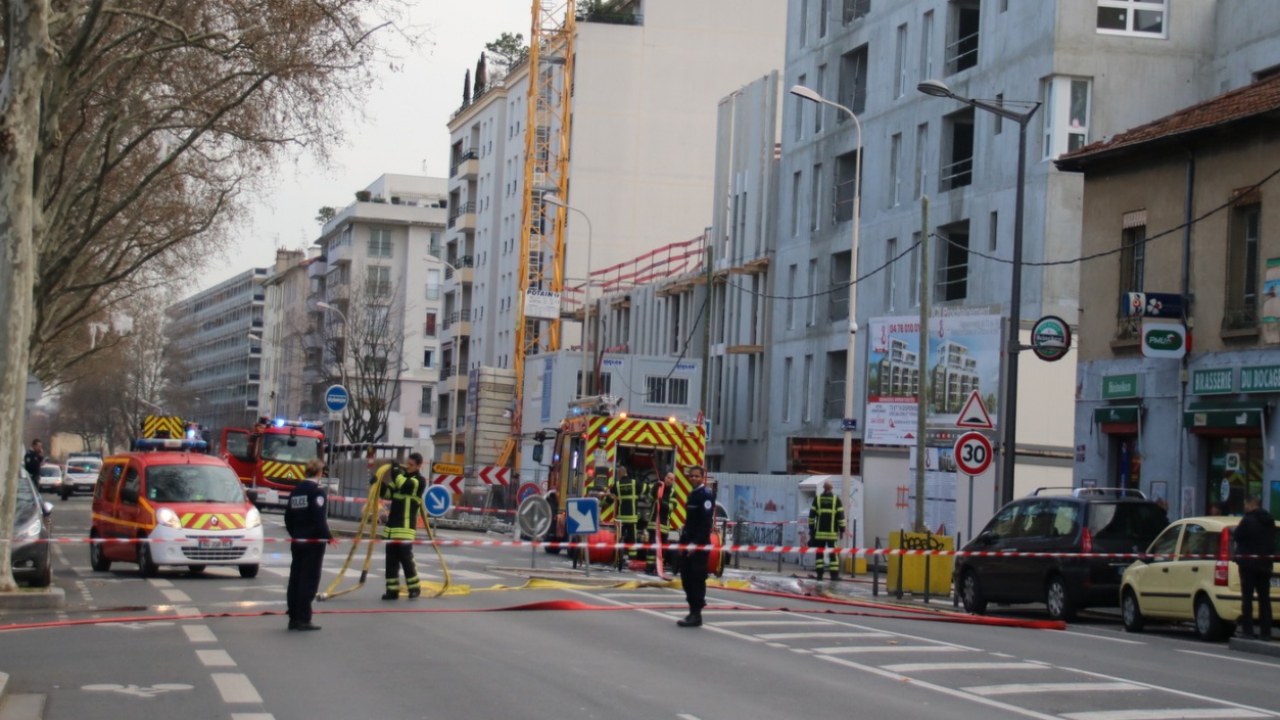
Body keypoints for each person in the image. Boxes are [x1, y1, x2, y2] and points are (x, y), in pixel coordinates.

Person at [284, 459, 334, 631]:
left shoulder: (297, 491)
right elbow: (319, 517)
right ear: (320, 473)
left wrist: (296, 534)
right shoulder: (317, 492)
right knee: (309, 579)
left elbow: (288, 517)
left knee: (296, 578)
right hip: (313, 543)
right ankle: (304, 618)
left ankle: (293, 617)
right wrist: (328, 537)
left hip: (298, 541)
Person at [380, 453, 425, 600]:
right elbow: (388, 494)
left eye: (411, 465)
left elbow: (403, 484)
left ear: (419, 466)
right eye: (408, 463)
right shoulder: (401, 478)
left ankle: (414, 588)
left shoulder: (418, 481)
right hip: (393, 528)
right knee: (391, 559)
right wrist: (379, 485)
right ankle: (392, 590)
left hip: (405, 527)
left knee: (406, 559)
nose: (408, 466)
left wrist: (395, 470)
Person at [677, 466, 715, 628]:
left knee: (697, 578)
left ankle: (696, 614)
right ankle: (691, 610)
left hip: (699, 546)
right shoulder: (692, 495)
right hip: (688, 542)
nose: (693, 478)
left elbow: (705, 524)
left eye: (696, 476)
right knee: (686, 578)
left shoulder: (705, 496)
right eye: (691, 476)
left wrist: (695, 544)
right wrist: (682, 542)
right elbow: (689, 522)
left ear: (702, 477)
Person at [1234, 495, 1275, 641]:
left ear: (1251, 505)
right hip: (1265, 564)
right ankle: (1266, 632)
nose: (1245, 507)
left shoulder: (1247, 520)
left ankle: (1248, 631)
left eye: (1245, 504)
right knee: (1265, 599)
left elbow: (1237, 536)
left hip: (1248, 565)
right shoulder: (1269, 520)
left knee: (1247, 599)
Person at [809, 480, 847, 581]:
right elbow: (841, 516)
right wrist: (842, 529)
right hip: (832, 533)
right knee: (833, 553)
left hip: (819, 533)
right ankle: (834, 575)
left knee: (819, 553)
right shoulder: (836, 499)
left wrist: (811, 529)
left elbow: (811, 515)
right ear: (831, 488)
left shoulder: (817, 499)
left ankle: (820, 575)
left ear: (824, 488)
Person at [614, 467, 640, 569]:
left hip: (621, 519)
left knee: (619, 538)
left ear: (621, 473)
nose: (618, 475)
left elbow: (609, 497)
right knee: (632, 539)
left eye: (618, 473)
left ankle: (619, 557)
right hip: (632, 518)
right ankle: (632, 560)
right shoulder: (635, 483)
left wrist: (601, 503)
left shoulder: (617, 484)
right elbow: (646, 489)